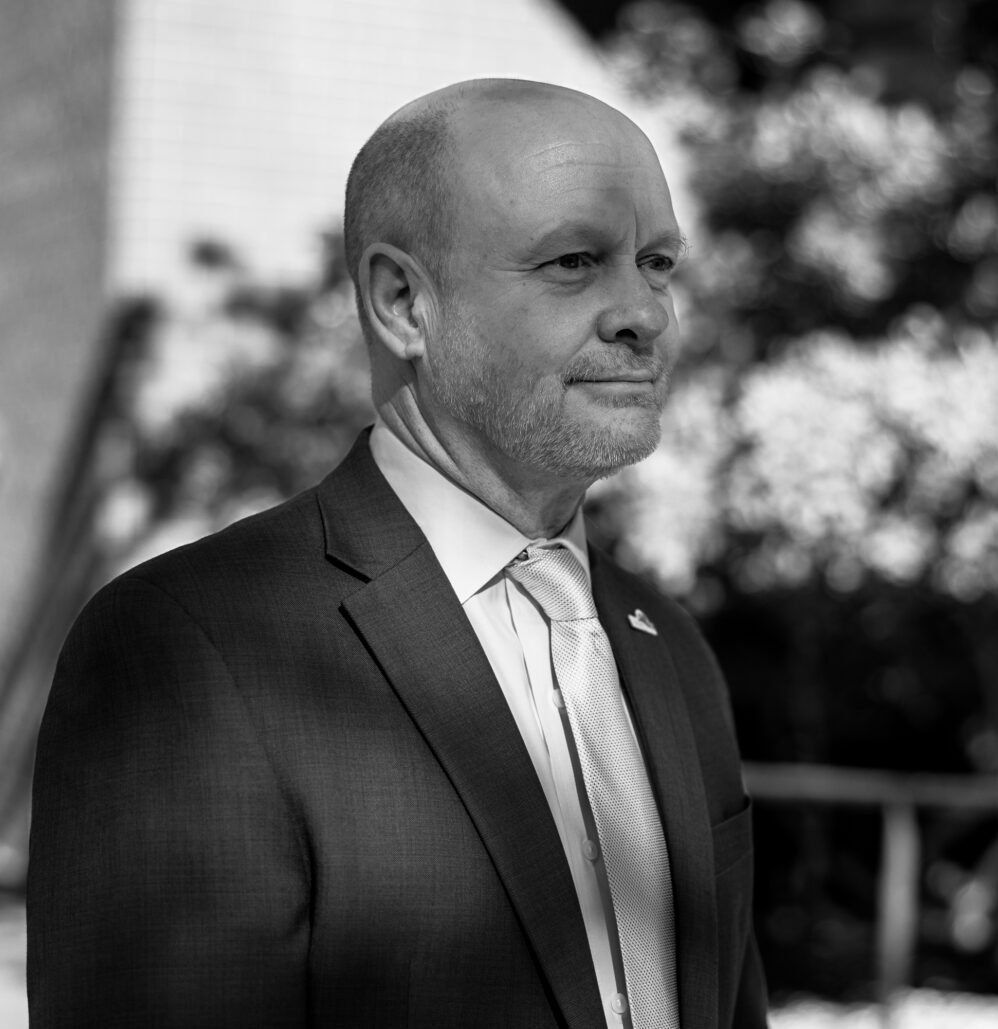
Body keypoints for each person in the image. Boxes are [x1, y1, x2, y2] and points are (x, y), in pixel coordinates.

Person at [28, 79, 767, 1029]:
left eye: (656, 261)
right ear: (403, 301)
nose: (646, 313)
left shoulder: (664, 642)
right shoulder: (190, 649)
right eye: (574, 261)